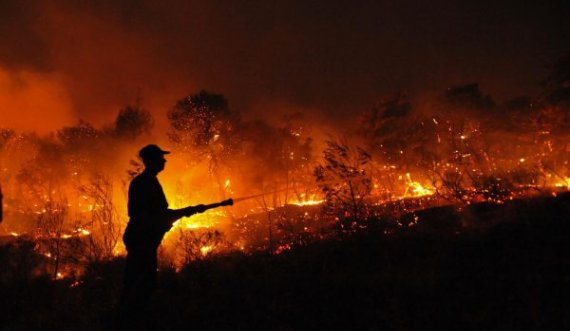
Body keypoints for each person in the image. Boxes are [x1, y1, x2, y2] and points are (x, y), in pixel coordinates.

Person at [121, 144, 207, 307]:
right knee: (140, 284)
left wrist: (189, 211)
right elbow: (148, 215)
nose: (164, 160)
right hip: (141, 240)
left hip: (143, 239)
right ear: (151, 161)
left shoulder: (149, 181)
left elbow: (159, 213)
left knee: (140, 282)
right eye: (161, 158)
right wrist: (187, 211)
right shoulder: (143, 183)